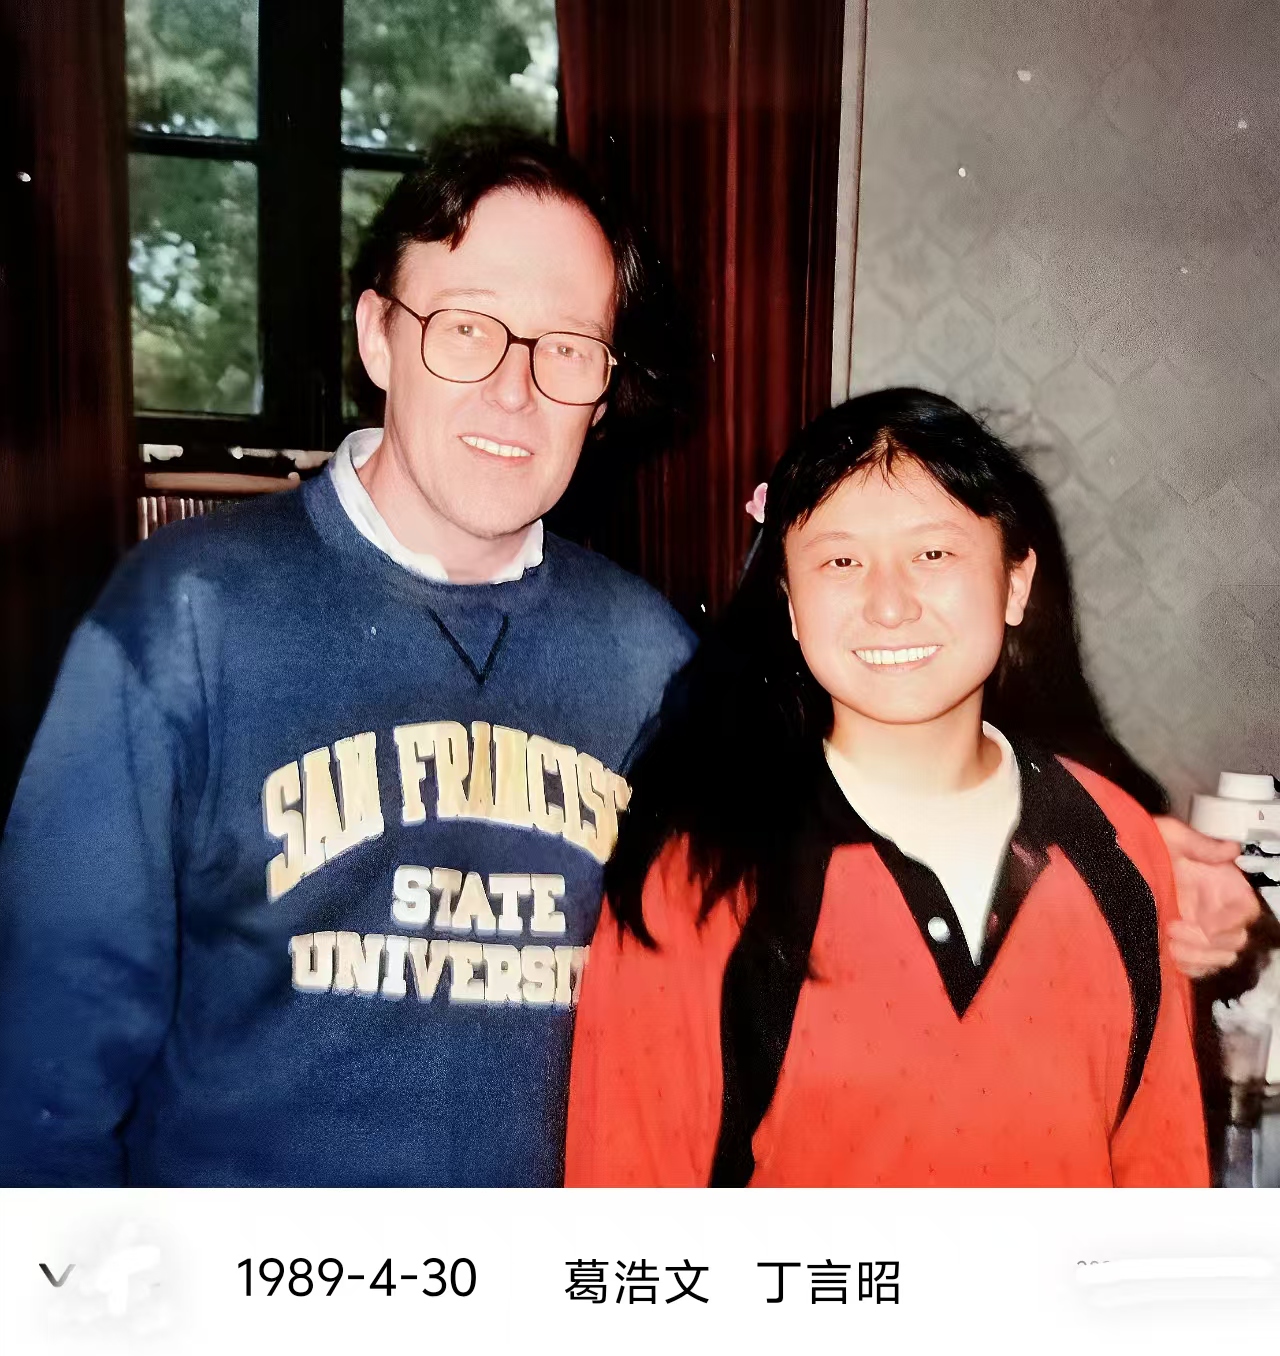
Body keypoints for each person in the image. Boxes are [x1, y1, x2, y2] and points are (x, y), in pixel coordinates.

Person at [0, 127, 695, 1185]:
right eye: (467, 328)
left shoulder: (653, 661)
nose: (514, 390)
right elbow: (44, 1066)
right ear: (378, 336)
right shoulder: (189, 617)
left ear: (602, 391)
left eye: (565, 347)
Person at [565, 389, 1212, 1186]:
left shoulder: (1118, 842)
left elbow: (1164, 1173)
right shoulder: (699, 877)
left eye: (933, 554)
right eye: (841, 562)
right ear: (791, 605)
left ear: (1015, 584)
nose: (890, 604)